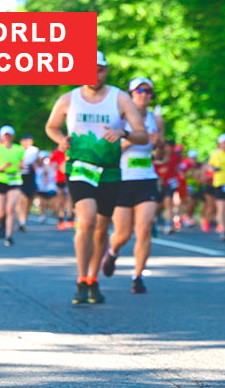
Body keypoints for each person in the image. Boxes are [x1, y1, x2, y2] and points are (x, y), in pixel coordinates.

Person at [45, 50, 148, 305]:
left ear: (106, 70)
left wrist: (122, 132)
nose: (95, 74)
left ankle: (93, 279)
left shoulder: (120, 98)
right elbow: (51, 126)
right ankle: (81, 279)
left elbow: (143, 135)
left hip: (110, 169)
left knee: (101, 229)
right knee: (87, 219)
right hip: (80, 167)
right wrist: (61, 140)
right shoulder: (69, 99)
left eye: (100, 69)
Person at [102, 77, 164, 294]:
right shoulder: (119, 118)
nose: (145, 95)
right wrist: (132, 139)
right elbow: (108, 151)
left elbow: (161, 156)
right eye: (140, 91)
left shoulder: (156, 120)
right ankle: (112, 252)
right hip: (121, 179)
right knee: (123, 233)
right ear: (131, 93)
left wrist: (159, 144)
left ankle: (138, 276)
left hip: (146, 178)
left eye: (149, 92)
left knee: (145, 228)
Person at [0, 126, 24, 246]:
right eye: (5, 135)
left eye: (9, 134)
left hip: (14, 179)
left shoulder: (19, 149)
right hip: (1, 179)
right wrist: (2, 168)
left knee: (10, 209)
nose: (7, 137)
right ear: (1, 136)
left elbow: (22, 163)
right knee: (1, 212)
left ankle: (9, 236)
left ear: (13, 136)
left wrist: (21, 166)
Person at [17, 134, 39, 232]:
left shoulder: (34, 151)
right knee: (22, 198)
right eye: (25, 140)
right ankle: (21, 219)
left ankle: (24, 220)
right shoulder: (17, 150)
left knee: (28, 200)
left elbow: (39, 163)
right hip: (19, 177)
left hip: (30, 177)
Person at [49, 144, 73, 230]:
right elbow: (51, 164)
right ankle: (60, 217)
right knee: (61, 198)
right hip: (60, 178)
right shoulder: (57, 152)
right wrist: (57, 166)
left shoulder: (72, 151)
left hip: (71, 177)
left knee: (70, 198)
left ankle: (70, 217)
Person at [35, 150, 58, 223]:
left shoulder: (51, 165)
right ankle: (42, 215)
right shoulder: (38, 166)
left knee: (52, 200)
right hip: (41, 186)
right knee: (42, 201)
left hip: (51, 186)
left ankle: (52, 211)